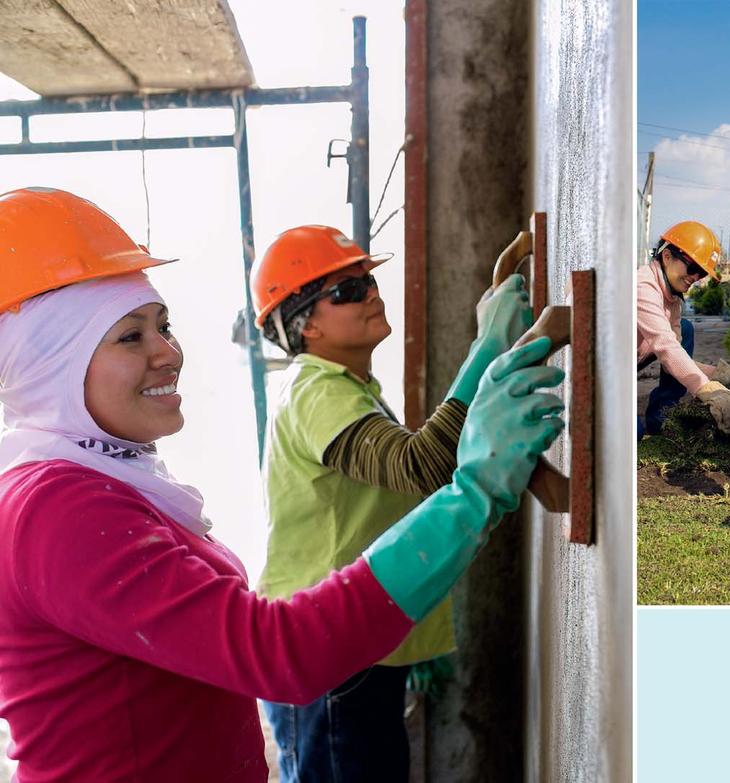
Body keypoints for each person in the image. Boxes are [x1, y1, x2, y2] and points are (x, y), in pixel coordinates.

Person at [0, 187, 564, 781]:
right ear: (50, 363)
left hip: (347, 641)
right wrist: (474, 489)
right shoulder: (60, 512)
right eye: (129, 336)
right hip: (328, 656)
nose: (170, 353)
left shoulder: (107, 484)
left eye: (163, 326)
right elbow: (278, 651)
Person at [249, 225, 532, 781]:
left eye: (367, 280)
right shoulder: (316, 390)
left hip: (354, 650)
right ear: (304, 323)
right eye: (348, 291)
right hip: (325, 657)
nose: (372, 292)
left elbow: (382, 513)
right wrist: (486, 352)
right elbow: (421, 468)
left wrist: (411, 637)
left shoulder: (350, 389)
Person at [637, 220, 730, 438]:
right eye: (693, 268)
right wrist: (707, 389)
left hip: (631, 357)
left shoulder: (672, 297)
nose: (695, 278)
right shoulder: (642, 287)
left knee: (684, 329)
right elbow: (666, 348)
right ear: (667, 257)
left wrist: (718, 375)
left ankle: (661, 418)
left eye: (702, 274)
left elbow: (673, 356)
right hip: (600, 373)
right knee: (633, 434)